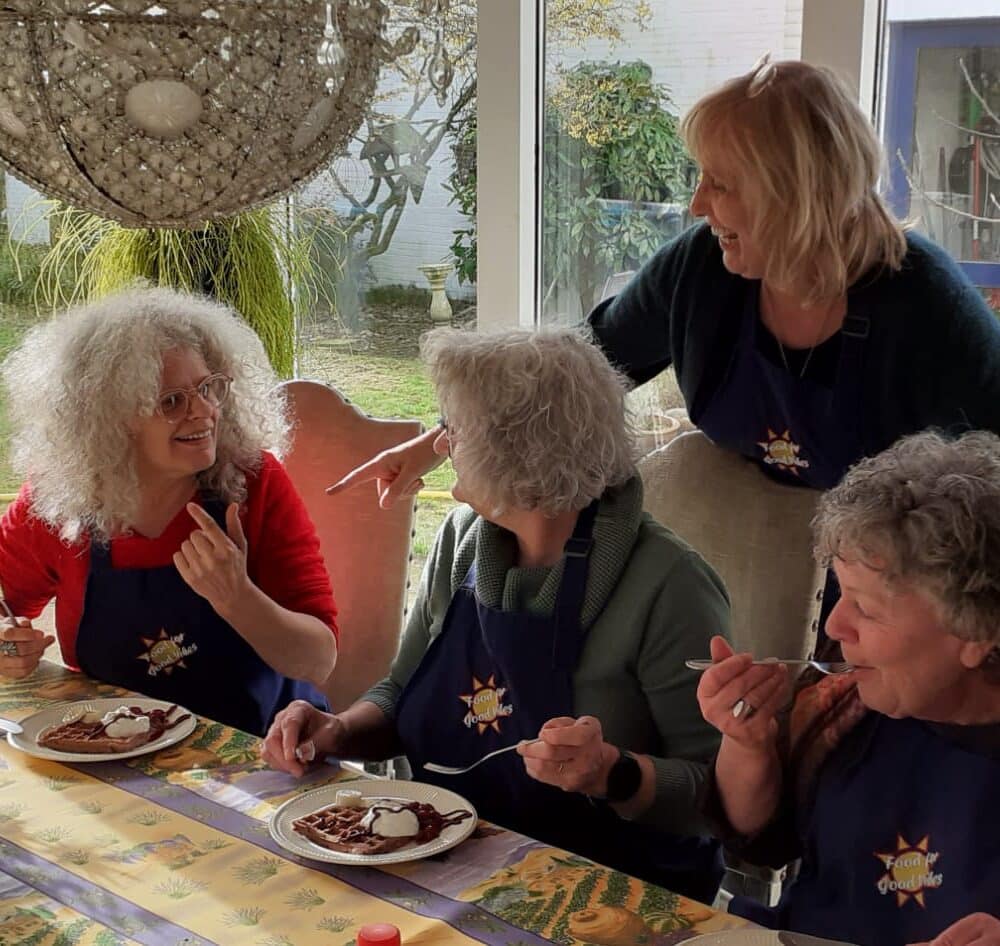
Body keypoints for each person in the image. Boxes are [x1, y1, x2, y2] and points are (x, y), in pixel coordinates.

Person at [326, 56, 1000, 505]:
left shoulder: (927, 306)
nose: (697, 205)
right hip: (749, 566)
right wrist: (438, 443)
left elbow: (983, 499)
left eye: (722, 184)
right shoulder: (700, 269)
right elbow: (569, 375)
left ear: (797, 194)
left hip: (896, 592)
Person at [263, 327, 730, 901]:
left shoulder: (671, 585)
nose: (441, 445)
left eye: (454, 429)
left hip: (601, 896)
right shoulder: (463, 539)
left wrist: (615, 773)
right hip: (442, 866)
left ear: (519, 456)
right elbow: (400, 692)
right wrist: (336, 730)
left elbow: (720, 796)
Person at [696, 430, 1000, 946]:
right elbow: (762, 843)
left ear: (974, 633)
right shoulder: (843, 704)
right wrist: (747, 744)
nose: (835, 626)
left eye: (866, 608)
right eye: (841, 594)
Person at [0, 286, 338, 736]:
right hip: (112, 748)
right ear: (110, 420)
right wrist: (7, 646)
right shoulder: (60, 499)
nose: (205, 411)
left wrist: (239, 599)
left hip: (259, 746)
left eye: (208, 388)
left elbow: (318, 661)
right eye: (172, 401)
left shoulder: (253, 483)